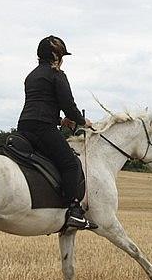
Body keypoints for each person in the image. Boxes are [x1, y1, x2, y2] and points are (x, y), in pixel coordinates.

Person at [17, 35, 97, 230]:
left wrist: (62, 121)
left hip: (25, 125)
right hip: (43, 128)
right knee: (70, 163)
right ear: (55, 55)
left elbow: (40, 104)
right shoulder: (57, 75)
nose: (62, 60)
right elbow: (68, 105)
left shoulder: (31, 75)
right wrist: (81, 120)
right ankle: (74, 211)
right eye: (61, 55)